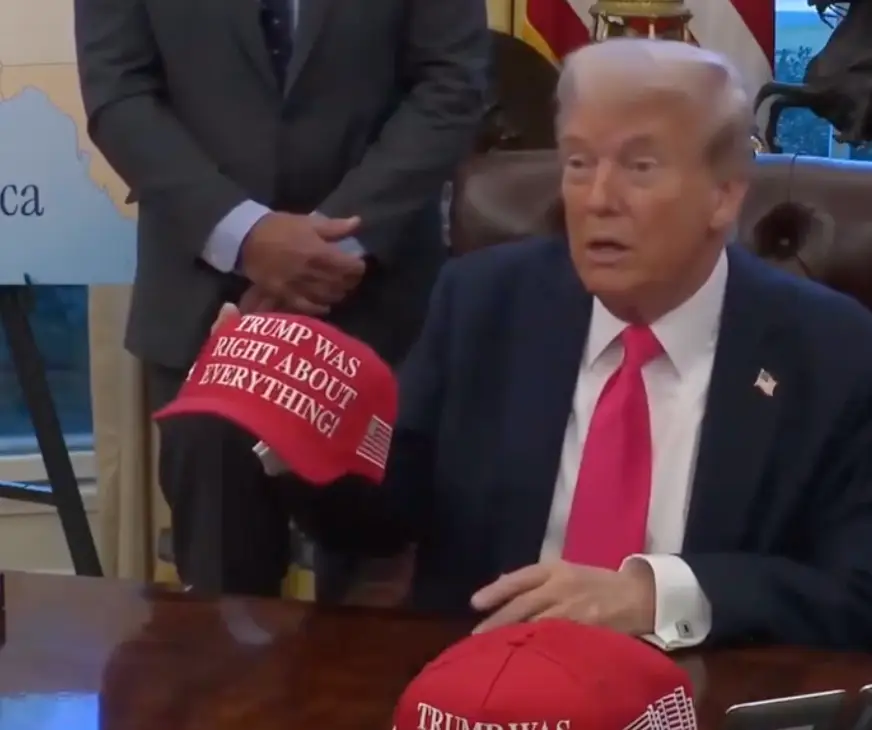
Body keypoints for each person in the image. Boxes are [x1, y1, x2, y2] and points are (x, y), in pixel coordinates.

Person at [168, 38, 872, 650]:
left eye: (640, 167)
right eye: (577, 163)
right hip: (487, 693)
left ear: (723, 195)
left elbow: (855, 593)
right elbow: (382, 523)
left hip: (699, 695)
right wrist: (298, 428)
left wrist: (660, 596)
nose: (598, 198)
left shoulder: (831, 351)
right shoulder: (483, 304)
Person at [73, 0, 489, 597]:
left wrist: (333, 242)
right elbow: (118, 95)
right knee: (221, 606)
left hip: (380, 294)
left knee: (377, 600)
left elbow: (452, 82)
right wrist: (246, 236)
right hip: (206, 302)